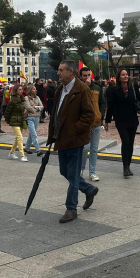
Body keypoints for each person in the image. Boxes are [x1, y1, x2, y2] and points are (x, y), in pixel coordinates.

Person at [47, 60, 97, 223]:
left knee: (73, 174)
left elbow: (90, 115)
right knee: (65, 171)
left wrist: (74, 129)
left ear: (71, 72)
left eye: (61, 70)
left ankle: (71, 208)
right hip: (61, 138)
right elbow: (56, 113)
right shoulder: (60, 89)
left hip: (75, 139)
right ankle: (89, 190)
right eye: (58, 69)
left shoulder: (82, 89)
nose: (58, 72)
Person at [105, 68, 140, 177]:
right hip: (121, 120)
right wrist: (107, 121)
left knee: (131, 142)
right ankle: (125, 166)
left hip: (132, 118)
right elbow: (110, 106)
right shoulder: (114, 90)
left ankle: (128, 165)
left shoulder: (133, 87)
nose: (125, 76)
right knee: (126, 142)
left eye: (126, 74)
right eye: (123, 75)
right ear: (119, 77)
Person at [80, 68, 106, 181]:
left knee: (94, 149)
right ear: (81, 76)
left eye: (88, 75)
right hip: (84, 123)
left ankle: (92, 172)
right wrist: (85, 86)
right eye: (84, 75)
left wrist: (101, 115)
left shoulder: (97, 87)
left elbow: (102, 102)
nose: (87, 77)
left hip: (96, 121)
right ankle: (80, 170)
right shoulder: (79, 87)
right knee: (85, 148)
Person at [5, 84, 28, 162]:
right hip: (14, 120)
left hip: (21, 120)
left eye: (22, 89)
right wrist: (9, 121)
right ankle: (22, 155)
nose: (21, 91)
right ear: (15, 91)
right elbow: (7, 112)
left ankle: (11, 152)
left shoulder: (22, 100)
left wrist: (25, 112)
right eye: (20, 89)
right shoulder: (12, 101)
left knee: (17, 138)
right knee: (19, 137)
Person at [24, 85, 44, 156]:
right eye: (33, 89)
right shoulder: (26, 98)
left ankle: (26, 148)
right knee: (34, 134)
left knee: (32, 134)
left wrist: (35, 107)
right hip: (29, 117)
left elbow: (42, 106)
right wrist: (36, 110)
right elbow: (28, 107)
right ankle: (38, 150)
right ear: (30, 90)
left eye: (35, 89)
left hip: (37, 117)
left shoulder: (37, 97)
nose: (35, 90)